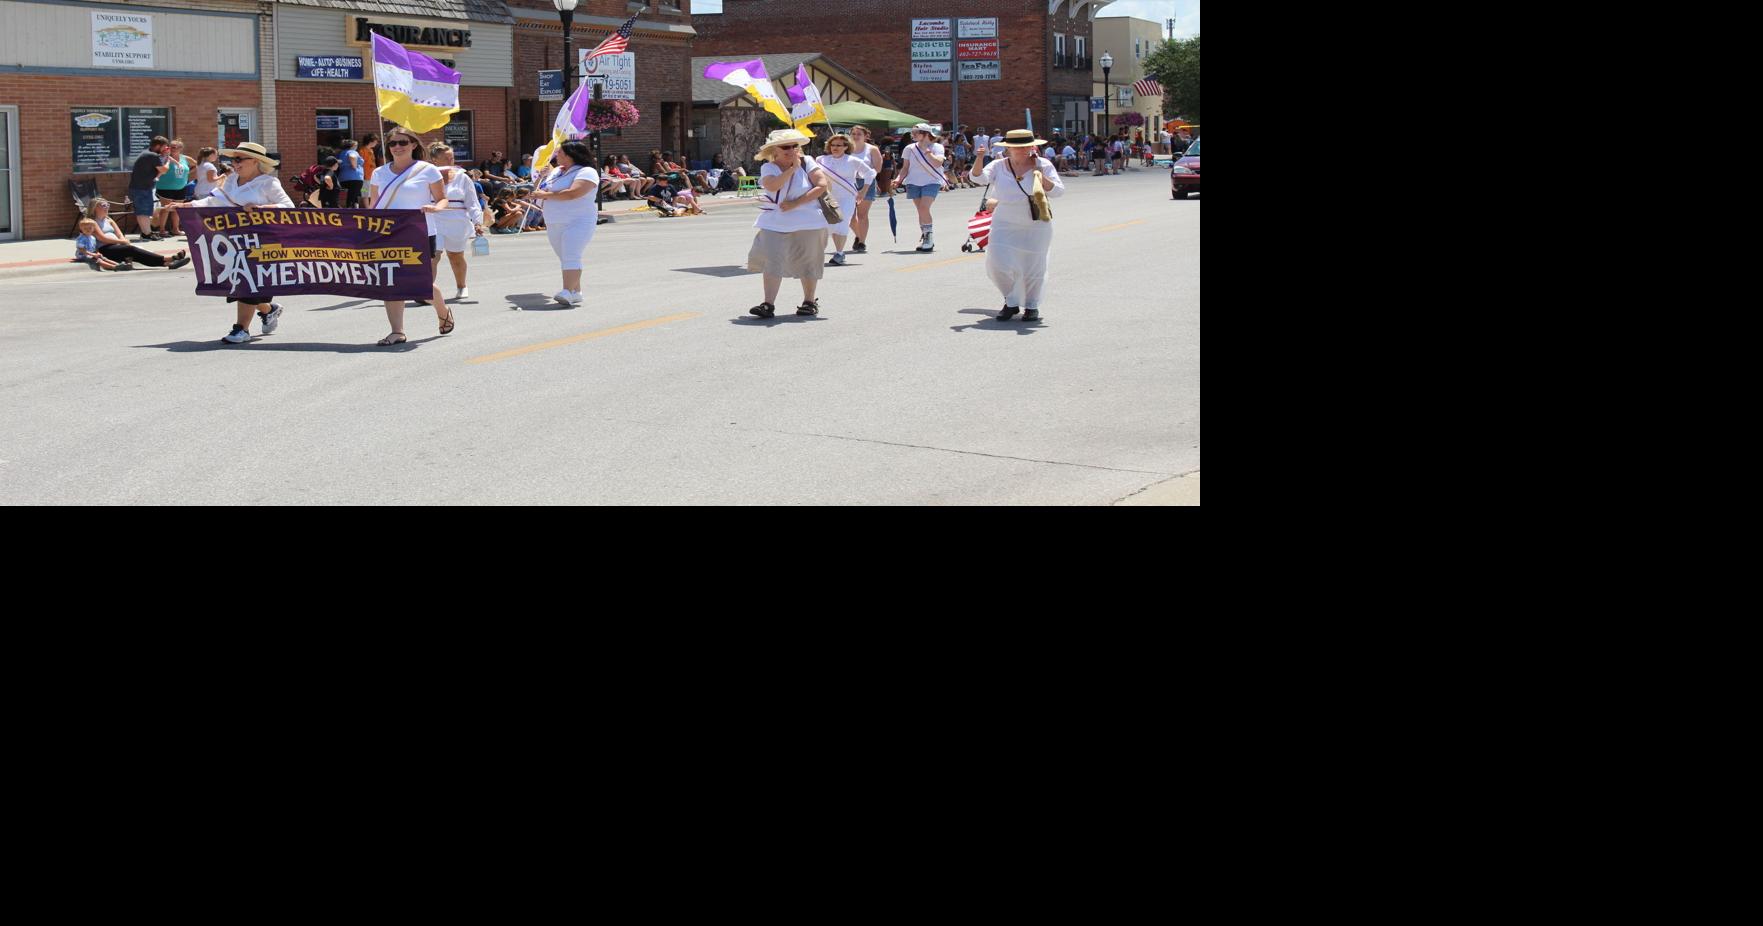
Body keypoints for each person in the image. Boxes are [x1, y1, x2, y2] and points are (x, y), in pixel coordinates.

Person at [173, 142, 288, 343]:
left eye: (239, 159)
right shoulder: (231, 181)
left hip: (262, 241)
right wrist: (184, 206)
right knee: (241, 282)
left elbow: (288, 207)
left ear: (255, 161)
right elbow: (212, 201)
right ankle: (269, 309)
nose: (234, 164)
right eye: (232, 159)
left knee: (248, 281)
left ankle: (240, 329)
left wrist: (263, 208)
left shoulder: (269, 183)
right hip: (234, 240)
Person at [366, 128, 454, 346]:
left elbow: (443, 199)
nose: (397, 147)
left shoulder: (427, 170)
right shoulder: (379, 173)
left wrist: (434, 208)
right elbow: (374, 204)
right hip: (388, 232)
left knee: (420, 280)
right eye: (393, 143)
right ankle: (397, 331)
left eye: (402, 142)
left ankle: (442, 311)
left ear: (414, 145)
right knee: (390, 280)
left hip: (420, 231)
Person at [968, 130, 1063, 323]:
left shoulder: (1043, 164)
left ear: (1032, 146)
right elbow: (978, 178)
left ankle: (1031, 305)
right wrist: (979, 158)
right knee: (997, 263)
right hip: (1004, 220)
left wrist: (1040, 174)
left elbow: (1058, 191)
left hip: (1035, 222)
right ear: (1008, 148)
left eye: (1026, 146)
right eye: (1017, 147)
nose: (1022, 150)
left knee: (1033, 266)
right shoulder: (998, 165)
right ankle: (1011, 300)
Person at [746, 129, 830, 318]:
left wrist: (796, 203)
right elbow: (772, 185)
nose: (791, 150)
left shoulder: (808, 162)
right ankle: (768, 304)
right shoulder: (769, 167)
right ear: (774, 149)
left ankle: (809, 301)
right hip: (775, 221)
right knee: (771, 259)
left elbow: (821, 185)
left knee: (809, 261)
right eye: (786, 146)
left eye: (795, 146)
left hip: (809, 220)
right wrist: (792, 168)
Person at [525, 139, 600, 307]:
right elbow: (540, 190)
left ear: (571, 156)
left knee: (571, 254)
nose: (556, 155)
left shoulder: (587, 172)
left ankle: (566, 291)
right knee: (566, 257)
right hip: (554, 221)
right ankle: (576, 292)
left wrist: (546, 196)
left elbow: (573, 193)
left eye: (560, 153)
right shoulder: (557, 171)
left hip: (578, 220)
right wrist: (541, 179)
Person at [427, 143, 485, 301]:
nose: (450, 160)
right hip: (434, 219)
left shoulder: (463, 177)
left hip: (457, 221)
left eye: (451, 157)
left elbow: (472, 202)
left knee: (455, 256)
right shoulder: (427, 176)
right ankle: (427, 291)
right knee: (433, 256)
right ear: (434, 160)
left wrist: (477, 221)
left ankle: (461, 286)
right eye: (446, 158)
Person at [814, 133, 875, 266]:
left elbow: (870, 173)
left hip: (847, 197)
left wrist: (863, 191)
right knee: (825, 224)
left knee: (841, 222)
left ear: (846, 146)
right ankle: (817, 253)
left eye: (838, 145)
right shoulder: (821, 160)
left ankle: (839, 253)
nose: (835, 148)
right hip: (827, 197)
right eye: (833, 145)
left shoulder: (853, 160)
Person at [891, 123, 945, 252]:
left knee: (923, 207)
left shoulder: (937, 147)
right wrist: (898, 179)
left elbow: (938, 163)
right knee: (921, 211)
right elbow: (905, 168)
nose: (913, 135)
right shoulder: (909, 148)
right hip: (913, 182)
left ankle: (928, 237)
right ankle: (925, 234)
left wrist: (928, 153)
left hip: (932, 181)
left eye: (916, 132)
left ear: (926, 134)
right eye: (912, 132)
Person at [847, 125, 883, 254]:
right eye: (853, 134)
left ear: (865, 136)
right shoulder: (846, 148)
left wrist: (866, 176)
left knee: (862, 214)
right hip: (849, 182)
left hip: (866, 182)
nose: (855, 136)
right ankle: (858, 235)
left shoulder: (872, 149)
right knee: (849, 216)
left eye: (859, 134)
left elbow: (877, 168)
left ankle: (862, 242)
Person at [128, 135, 169, 241]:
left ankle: (146, 232)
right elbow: (164, 170)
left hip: (142, 187)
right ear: (158, 146)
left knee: (145, 211)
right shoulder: (152, 155)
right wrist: (168, 159)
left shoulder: (147, 154)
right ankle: (146, 233)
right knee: (143, 211)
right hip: (141, 188)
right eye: (164, 147)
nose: (165, 149)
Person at [336, 139, 365, 207]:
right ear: (352, 146)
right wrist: (354, 166)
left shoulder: (341, 153)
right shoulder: (352, 152)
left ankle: (355, 210)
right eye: (356, 145)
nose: (357, 147)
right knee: (352, 197)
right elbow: (352, 157)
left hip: (343, 178)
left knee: (354, 196)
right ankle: (349, 212)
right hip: (355, 178)